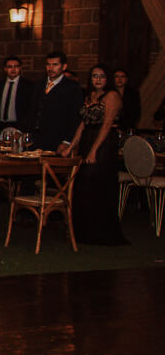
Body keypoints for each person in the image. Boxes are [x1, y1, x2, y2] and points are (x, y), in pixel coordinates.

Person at [62, 65, 127, 246]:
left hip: (104, 142)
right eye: (94, 76)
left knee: (97, 182)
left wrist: (94, 150)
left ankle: (101, 232)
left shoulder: (112, 96)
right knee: (83, 184)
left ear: (108, 79)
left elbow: (106, 125)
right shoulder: (90, 96)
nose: (98, 79)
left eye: (102, 76)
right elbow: (83, 124)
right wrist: (70, 146)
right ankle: (83, 232)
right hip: (87, 139)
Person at [31, 50, 83, 151]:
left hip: (57, 140)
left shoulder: (72, 87)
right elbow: (32, 110)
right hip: (35, 139)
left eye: (55, 65)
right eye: (48, 65)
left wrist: (67, 141)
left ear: (64, 67)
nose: (51, 68)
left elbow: (75, 117)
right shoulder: (38, 85)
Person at [0, 55, 36, 133]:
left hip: (19, 125)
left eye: (16, 66)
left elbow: (30, 109)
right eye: (10, 67)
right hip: (0, 125)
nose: (13, 69)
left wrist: (22, 128)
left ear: (20, 68)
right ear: (5, 69)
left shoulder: (28, 86)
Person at [112, 67, 141, 133]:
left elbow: (136, 112)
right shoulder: (108, 93)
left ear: (127, 79)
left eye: (122, 77)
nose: (119, 79)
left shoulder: (133, 94)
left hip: (127, 127)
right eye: (117, 77)